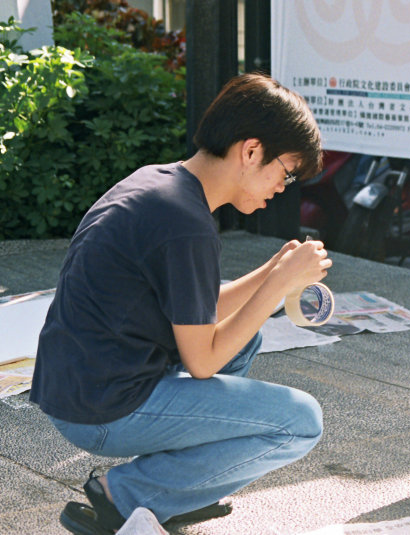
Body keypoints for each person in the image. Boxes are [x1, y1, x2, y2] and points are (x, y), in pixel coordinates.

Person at [30, 73, 330, 533]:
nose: (282, 187)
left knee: (245, 341)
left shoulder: (163, 186)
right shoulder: (185, 224)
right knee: (302, 421)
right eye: (285, 173)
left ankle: (174, 489)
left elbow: (201, 309)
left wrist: (273, 272)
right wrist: (276, 286)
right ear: (251, 152)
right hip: (100, 411)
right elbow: (203, 361)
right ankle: (129, 494)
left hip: (78, 386)